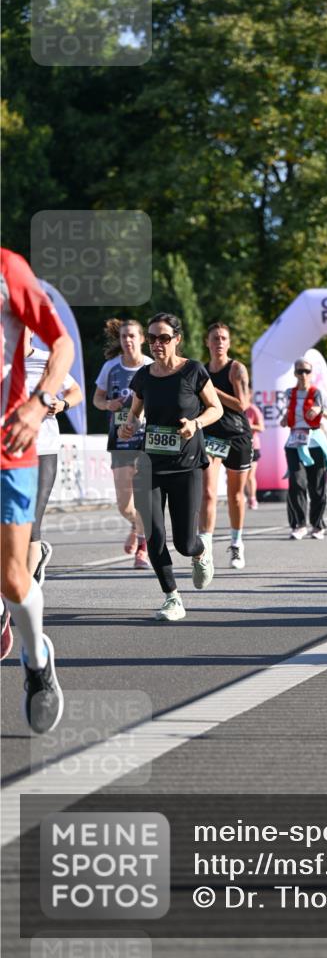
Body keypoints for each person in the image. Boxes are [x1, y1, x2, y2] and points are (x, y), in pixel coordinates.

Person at [1, 246, 74, 731]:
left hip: (11, 441)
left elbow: (61, 343)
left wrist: (39, 401)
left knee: (9, 577)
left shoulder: (9, 269)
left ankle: (36, 659)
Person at [118, 313, 222, 620]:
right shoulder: (144, 376)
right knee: (153, 533)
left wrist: (195, 423)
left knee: (184, 542)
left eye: (164, 338)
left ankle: (200, 551)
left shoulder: (193, 371)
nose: (157, 344)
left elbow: (215, 408)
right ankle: (172, 597)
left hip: (186, 463)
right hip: (151, 464)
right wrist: (128, 426)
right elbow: (134, 414)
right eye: (152, 338)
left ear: (177, 339)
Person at [24, 329, 83, 584]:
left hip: (43, 449)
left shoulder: (46, 360)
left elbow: (76, 391)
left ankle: (20, 595)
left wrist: (63, 405)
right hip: (9, 453)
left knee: (30, 521)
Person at [93, 319, 152, 568]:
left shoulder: (151, 366)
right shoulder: (111, 368)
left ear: (141, 339)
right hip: (119, 440)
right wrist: (108, 404)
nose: (127, 340)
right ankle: (134, 524)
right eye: (123, 336)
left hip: (145, 439)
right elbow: (97, 399)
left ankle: (143, 548)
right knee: (124, 504)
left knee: (143, 497)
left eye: (132, 336)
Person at [199, 323, 253, 569]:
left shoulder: (237, 369)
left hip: (237, 436)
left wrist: (212, 390)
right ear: (207, 342)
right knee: (208, 493)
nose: (219, 342)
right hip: (211, 437)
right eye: (215, 338)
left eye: (223, 338)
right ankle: (205, 549)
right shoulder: (200, 370)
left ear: (229, 343)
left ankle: (237, 543)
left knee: (235, 496)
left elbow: (243, 404)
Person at [280, 359, 327, 540]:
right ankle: (299, 524)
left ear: (311, 374)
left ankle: (317, 525)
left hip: (315, 442)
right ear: (295, 374)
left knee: (317, 487)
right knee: (297, 483)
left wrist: (320, 411)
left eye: (306, 371)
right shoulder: (289, 393)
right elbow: (287, 414)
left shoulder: (318, 393)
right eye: (299, 371)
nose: (303, 375)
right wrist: (284, 419)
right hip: (295, 442)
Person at [244, 396, 265, 510]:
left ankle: (252, 498)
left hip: (253, 446)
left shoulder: (253, 409)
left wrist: (248, 426)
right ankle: (242, 496)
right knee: (240, 474)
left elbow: (261, 428)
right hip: (238, 446)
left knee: (250, 475)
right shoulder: (235, 407)